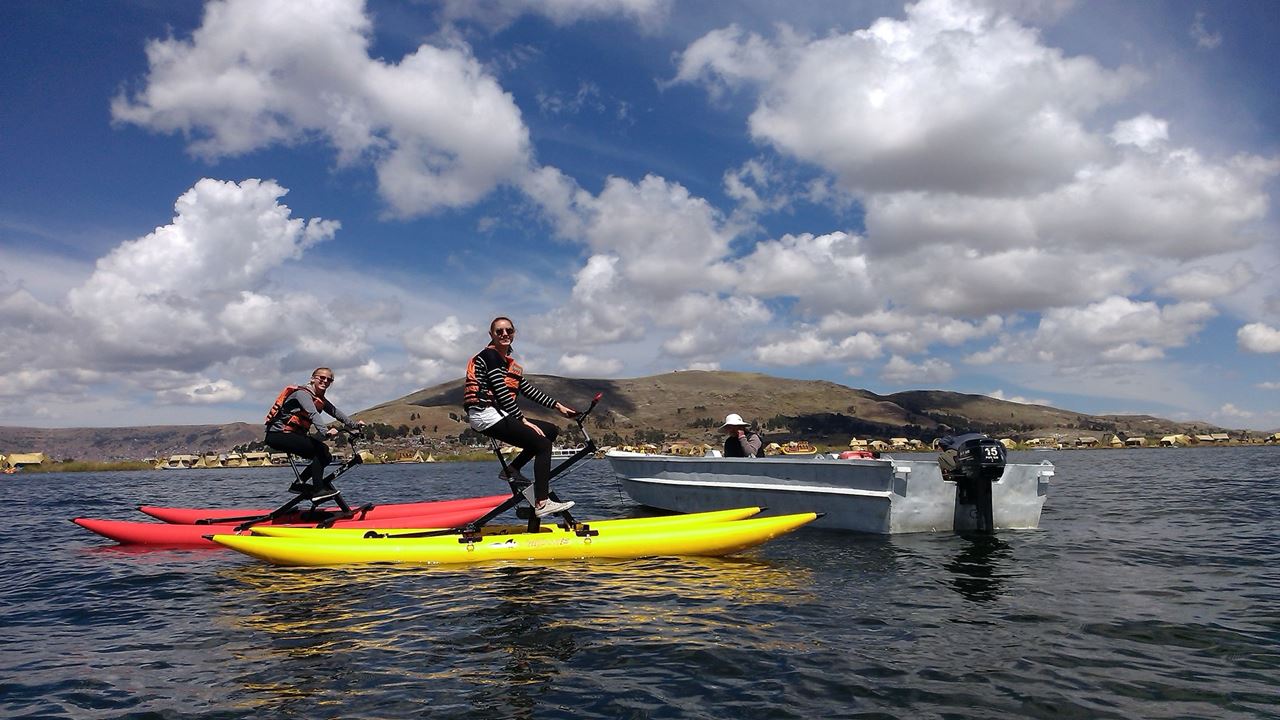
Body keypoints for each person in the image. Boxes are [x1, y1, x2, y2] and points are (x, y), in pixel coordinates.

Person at [464, 317, 578, 517]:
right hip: (485, 414)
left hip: (496, 413)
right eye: (499, 331)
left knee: (550, 430)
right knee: (543, 445)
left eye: (508, 330)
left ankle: (513, 470)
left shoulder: (506, 363)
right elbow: (500, 392)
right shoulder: (490, 356)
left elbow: (527, 390)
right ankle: (542, 503)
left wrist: (558, 406)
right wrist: (522, 420)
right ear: (491, 335)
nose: (505, 334)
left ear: (514, 333)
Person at [264, 367, 362, 495]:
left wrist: (355, 425)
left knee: (326, 457)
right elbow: (312, 414)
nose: (325, 381)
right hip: (278, 435)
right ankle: (318, 490)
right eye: (321, 378)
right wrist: (325, 431)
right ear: (312, 379)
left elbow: (336, 412)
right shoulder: (302, 394)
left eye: (329, 380)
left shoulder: (320, 399)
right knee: (321, 450)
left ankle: (299, 484)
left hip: (291, 435)